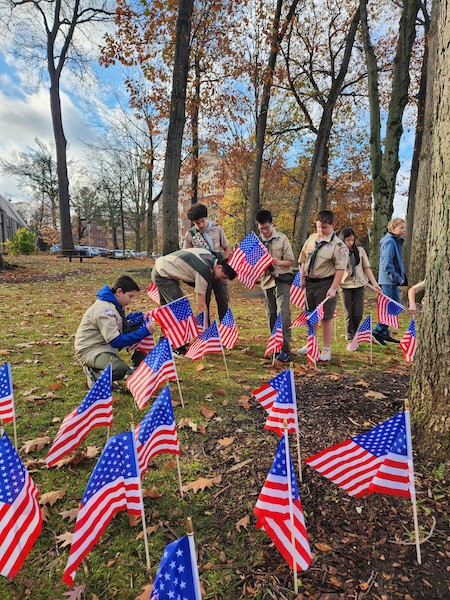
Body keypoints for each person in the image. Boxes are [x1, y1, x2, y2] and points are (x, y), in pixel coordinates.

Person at [151, 247, 236, 355]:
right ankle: (176, 347)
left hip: (163, 268)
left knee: (169, 311)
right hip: (163, 274)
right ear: (219, 267)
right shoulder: (204, 273)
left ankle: (165, 342)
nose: (221, 280)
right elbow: (201, 306)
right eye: (223, 277)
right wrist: (204, 334)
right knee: (180, 309)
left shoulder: (208, 256)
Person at [75, 275, 155, 388]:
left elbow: (118, 323)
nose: (131, 301)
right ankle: (94, 374)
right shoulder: (104, 309)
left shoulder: (114, 305)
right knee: (119, 369)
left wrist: (138, 318)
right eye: (130, 296)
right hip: (91, 350)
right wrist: (144, 332)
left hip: (103, 346)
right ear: (119, 292)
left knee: (139, 324)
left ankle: (137, 365)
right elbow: (116, 341)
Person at [296, 210, 349, 362]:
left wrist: (333, 287)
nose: (321, 230)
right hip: (310, 283)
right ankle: (311, 342)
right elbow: (304, 259)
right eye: (319, 227)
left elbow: (340, 269)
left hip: (326, 284)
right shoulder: (312, 239)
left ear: (332, 225)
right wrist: (302, 277)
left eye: (324, 227)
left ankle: (326, 348)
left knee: (325, 317)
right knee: (310, 315)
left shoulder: (339, 246)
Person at [256, 209, 295, 362]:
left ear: (271, 224)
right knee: (271, 314)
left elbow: (290, 261)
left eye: (266, 228)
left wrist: (276, 262)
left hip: (282, 279)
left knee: (282, 313)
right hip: (267, 282)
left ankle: (285, 348)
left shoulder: (282, 239)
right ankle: (275, 346)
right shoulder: (257, 243)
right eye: (261, 229)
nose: (265, 231)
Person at [183, 203, 231, 322]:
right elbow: (185, 255)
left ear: (206, 218)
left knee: (223, 300)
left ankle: (226, 330)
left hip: (219, 267)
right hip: (203, 272)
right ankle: (207, 332)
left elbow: (227, 247)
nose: (201, 225)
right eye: (197, 223)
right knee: (204, 301)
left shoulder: (217, 229)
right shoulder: (190, 235)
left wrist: (224, 262)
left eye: (202, 221)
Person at [338, 227, 382, 340]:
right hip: (344, 285)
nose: (350, 243)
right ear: (342, 240)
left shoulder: (360, 251)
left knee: (358, 312)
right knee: (348, 312)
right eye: (347, 240)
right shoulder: (338, 252)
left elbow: (366, 268)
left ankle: (356, 332)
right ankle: (350, 336)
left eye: (352, 240)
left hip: (359, 284)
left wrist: (375, 284)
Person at [372, 218, 407, 345]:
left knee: (393, 306)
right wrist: (396, 278)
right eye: (401, 227)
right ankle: (377, 331)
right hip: (389, 280)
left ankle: (384, 333)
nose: (404, 230)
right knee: (393, 306)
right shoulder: (390, 242)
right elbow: (387, 264)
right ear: (393, 228)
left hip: (391, 280)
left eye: (404, 227)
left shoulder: (395, 241)